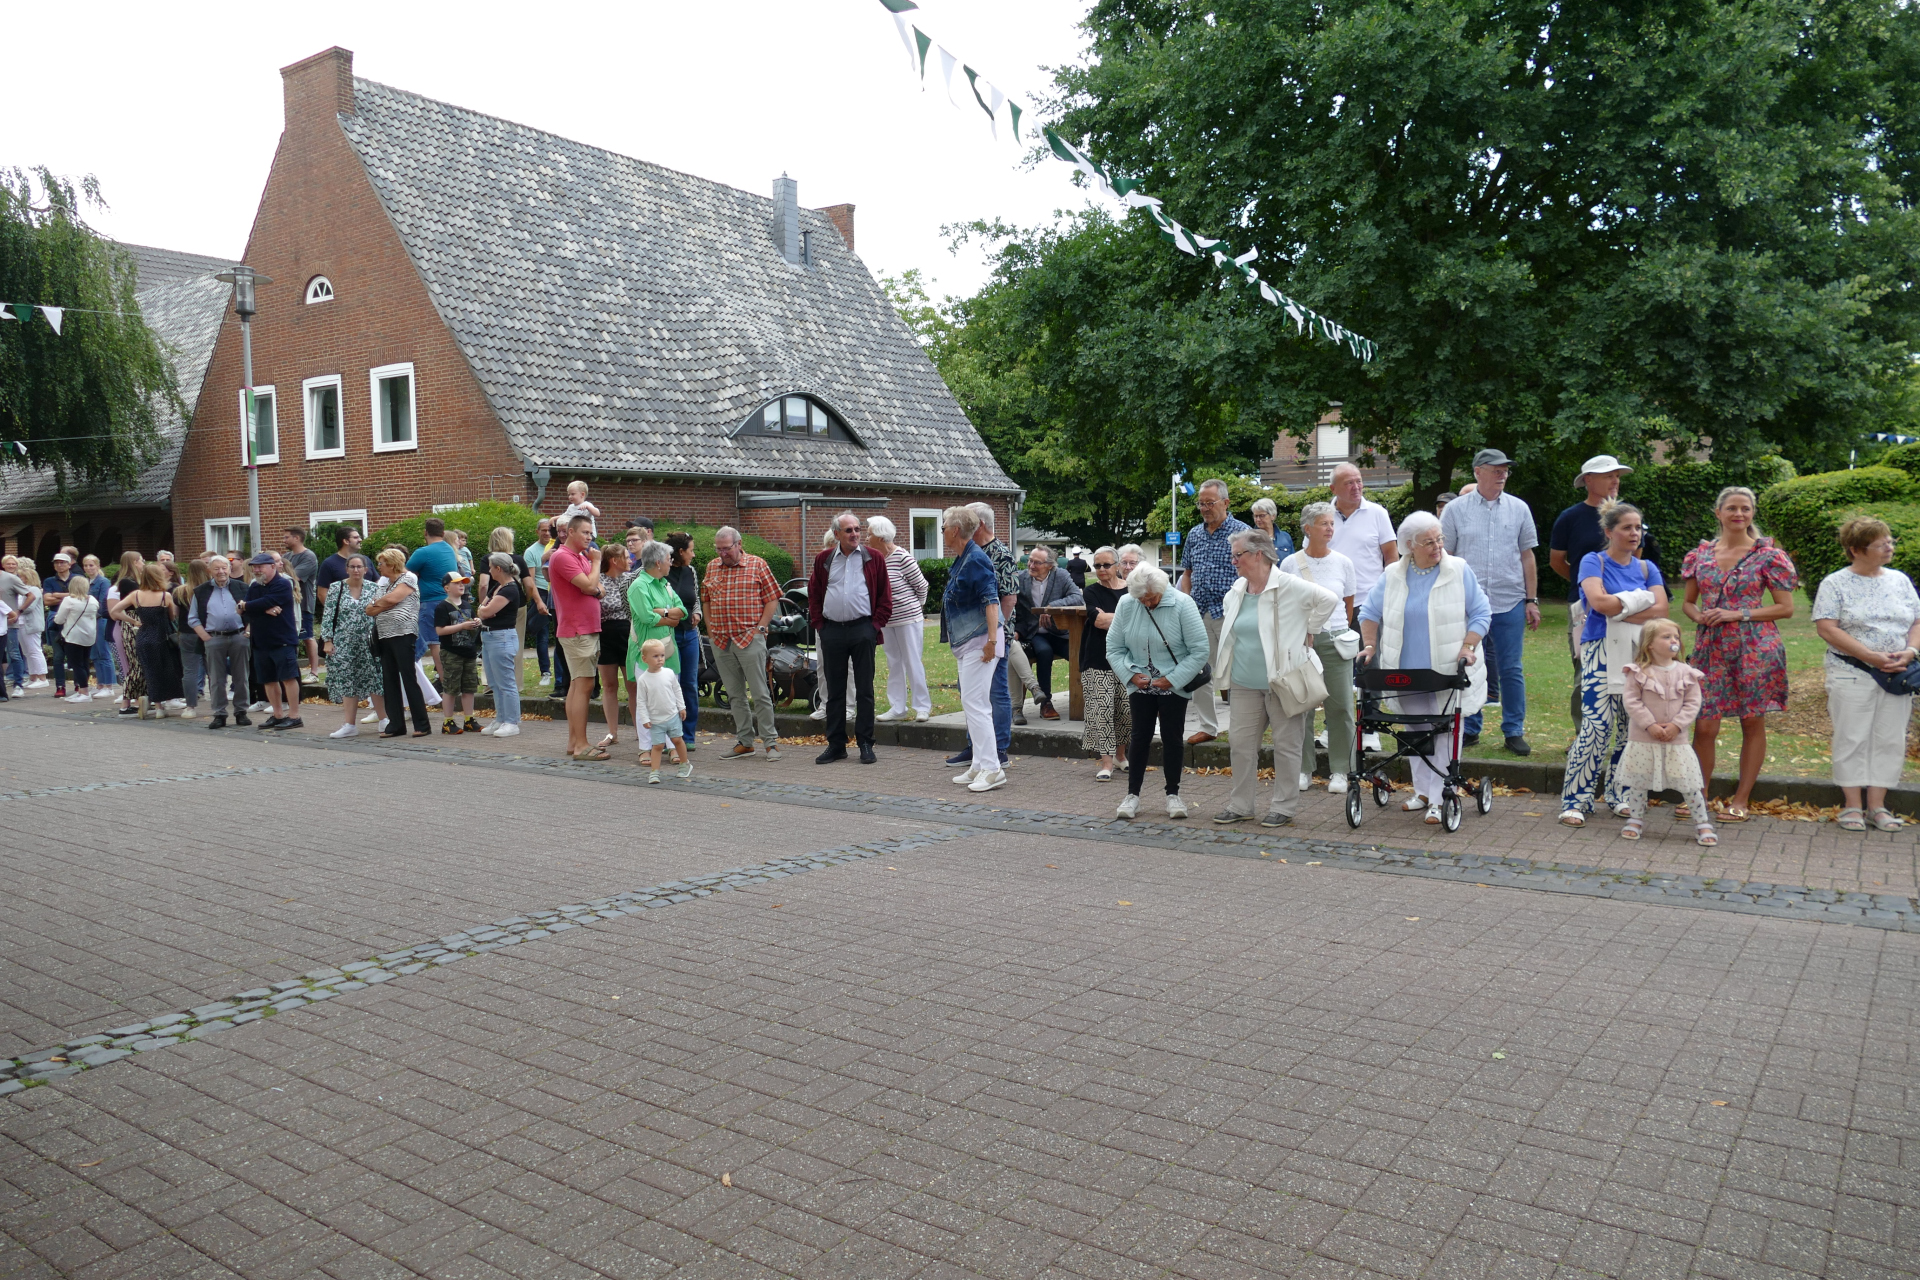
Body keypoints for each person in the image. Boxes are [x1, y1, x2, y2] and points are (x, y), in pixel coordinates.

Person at [1357, 512, 1492, 825]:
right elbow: (1370, 612)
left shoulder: (1458, 569)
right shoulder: (1393, 574)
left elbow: (1481, 613)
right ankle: (1422, 792)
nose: (1438, 546)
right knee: (1415, 733)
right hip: (1406, 672)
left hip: (1446, 671)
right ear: (1409, 546)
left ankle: (1441, 796)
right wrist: (1369, 646)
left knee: (1444, 732)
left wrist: (1468, 647)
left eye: (1439, 539)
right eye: (1429, 542)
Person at [1679, 487, 1799, 822]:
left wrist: (1738, 614)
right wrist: (1698, 616)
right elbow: (1688, 602)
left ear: (1752, 513)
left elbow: (1785, 608)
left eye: (1745, 508)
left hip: (1755, 649)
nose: (1739, 514)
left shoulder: (1768, 556)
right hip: (1710, 649)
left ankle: (1742, 799)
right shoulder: (1700, 555)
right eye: (1731, 508)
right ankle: (1699, 795)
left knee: (1752, 721)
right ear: (1718, 513)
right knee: (1705, 725)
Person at [1212, 529, 1342, 826]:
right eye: (1233, 555)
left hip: (1283, 681)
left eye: (1238, 555)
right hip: (1244, 682)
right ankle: (1241, 805)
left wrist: (1310, 628)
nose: (1233, 561)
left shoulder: (1288, 585)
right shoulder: (1237, 590)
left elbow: (1329, 599)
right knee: (1240, 745)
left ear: (1258, 554)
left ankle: (1283, 807)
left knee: (1287, 746)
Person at [1558, 500, 1668, 826]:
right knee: (1595, 727)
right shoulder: (1593, 561)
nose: (1635, 533)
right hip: (1600, 651)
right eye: (1626, 527)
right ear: (1609, 532)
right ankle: (1576, 800)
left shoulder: (1647, 568)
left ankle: (1622, 795)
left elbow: (1661, 610)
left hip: (1639, 654)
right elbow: (1598, 603)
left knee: (1631, 729)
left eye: (1638, 528)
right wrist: (1639, 601)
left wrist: (1618, 607)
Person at [1813, 516, 1920, 833]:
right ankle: (1852, 805)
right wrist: (1870, 656)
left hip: (1896, 673)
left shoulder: (1900, 580)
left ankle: (1877, 806)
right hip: (1851, 671)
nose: (1889, 547)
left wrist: (1911, 651)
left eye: (1890, 541)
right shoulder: (1835, 583)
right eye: (1880, 543)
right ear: (1856, 550)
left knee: (1889, 738)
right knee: (1853, 736)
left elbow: (1917, 621)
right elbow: (1827, 628)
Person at [1440, 448, 1540, 754]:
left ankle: (1513, 730)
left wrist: (1531, 599)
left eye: (1505, 470)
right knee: (1468, 665)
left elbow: (1527, 555)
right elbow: (1446, 557)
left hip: (1510, 600)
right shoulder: (1455, 510)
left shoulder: (1519, 508)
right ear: (1477, 472)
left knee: (1511, 669)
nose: (1502, 475)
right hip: (1468, 604)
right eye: (1496, 470)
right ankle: (1470, 728)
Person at [1108, 563, 1210, 819]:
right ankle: (1132, 795)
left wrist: (1172, 679)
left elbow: (1200, 650)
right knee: (1139, 737)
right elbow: (1114, 648)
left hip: (1173, 682)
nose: (1147, 603)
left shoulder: (1183, 603)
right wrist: (1131, 675)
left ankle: (1173, 795)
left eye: (1152, 598)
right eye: (1142, 599)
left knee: (1172, 737)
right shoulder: (1127, 604)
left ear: (1162, 589)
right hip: (1140, 682)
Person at [1281, 501, 1359, 791]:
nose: (1330, 528)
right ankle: (1303, 768)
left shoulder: (1343, 563)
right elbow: (1284, 604)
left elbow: (1348, 605)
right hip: (1300, 641)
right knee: (1301, 706)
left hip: (1335, 641)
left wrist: (1334, 629)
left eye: (1332, 524)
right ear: (1308, 528)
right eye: (1324, 523)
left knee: (1341, 706)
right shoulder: (1290, 564)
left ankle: (1341, 769)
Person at [1617, 619, 1717, 846]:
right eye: (1666, 637)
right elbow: (1632, 701)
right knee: (1639, 782)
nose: (1674, 641)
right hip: (1643, 739)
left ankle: (1702, 822)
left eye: (1676, 637)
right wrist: (1650, 725)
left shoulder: (1687, 672)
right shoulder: (1638, 672)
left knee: (1689, 782)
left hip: (1676, 740)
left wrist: (1676, 725)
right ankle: (1635, 819)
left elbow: (1692, 703)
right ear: (1649, 644)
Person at [808, 511, 892, 765]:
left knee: (864, 689)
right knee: (834, 690)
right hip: (832, 630)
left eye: (857, 529)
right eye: (849, 530)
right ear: (836, 534)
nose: (855, 534)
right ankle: (836, 745)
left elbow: (885, 597)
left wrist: (873, 626)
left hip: (862, 629)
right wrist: (820, 625)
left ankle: (865, 742)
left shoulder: (873, 557)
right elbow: (814, 593)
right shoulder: (824, 559)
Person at [1550, 455, 1632, 706]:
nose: (1615, 481)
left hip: (1626, 603)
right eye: (1608, 476)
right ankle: (1584, 728)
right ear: (1588, 480)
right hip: (1583, 605)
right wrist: (1588, 584)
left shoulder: (1627, 517)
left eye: (1617, 476)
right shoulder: (1570, 517)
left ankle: (1628, 727)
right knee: (1584, 670)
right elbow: (1556, 561)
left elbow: (1637, 558)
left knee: (1629, 669)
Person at [1176, 478, 1250, 746]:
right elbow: (1187, 573)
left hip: (1232, 612)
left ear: (1226, 502)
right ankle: (1208, 726)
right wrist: (1186, 602)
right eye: (1201, 504)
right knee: (1199, 670)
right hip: (1199, 612)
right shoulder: (1195, 534)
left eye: (1210, 503)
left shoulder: (1242, 533)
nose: (1205, 508)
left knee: (1239, 671)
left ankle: (1243, 727)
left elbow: (1252, 572)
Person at [704, 526, 784, 761]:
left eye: (726, 549)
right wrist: (710, 629)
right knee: (734, 695)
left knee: (760, 693)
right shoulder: (712, 567)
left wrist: (761, 628)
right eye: (719, 549)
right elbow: (706, 599)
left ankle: (770, 743)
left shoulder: (757, 564)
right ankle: (745, 742)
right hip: (721, 640)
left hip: (750, 638)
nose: (722, 554)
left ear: (739, 544)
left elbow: (772, 598)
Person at [942, 506, 1007, 793]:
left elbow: (991, 601)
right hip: (971, 641)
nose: (942, 531)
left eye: (944, 526)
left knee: (977, 705)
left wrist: (991, 642)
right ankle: (980, 764)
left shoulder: (976, 559)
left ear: (955, 530)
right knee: (973, 704)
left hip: (981, 642)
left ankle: (992, 769)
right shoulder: (964, 557)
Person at [547, 513, 605, 759]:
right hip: (577, 629)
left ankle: (574, 741)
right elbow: (591, 586)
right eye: (585, 532)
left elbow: (599, 589)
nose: (589, 537)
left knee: (576, 684)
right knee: (584, 685)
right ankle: (581, 745)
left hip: (584, 628)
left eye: (591, 533)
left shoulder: (580, 557)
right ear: (570, 532)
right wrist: (597, 563)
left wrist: (594, 586)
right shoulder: (563, 556)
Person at [867, 517, 931, 723]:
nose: (867, 538)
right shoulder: (875, 559)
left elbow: (922, 586)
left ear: (880, 536)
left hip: (908, 619)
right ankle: (897, 707)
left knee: (913, 661)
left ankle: (922, 707)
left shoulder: (903, 557)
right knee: (894, 663)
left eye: (869, 534)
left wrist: (915, 609)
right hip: (887, 621)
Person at [1079, 546, 1133, 781]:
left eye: (1106, 565)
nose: (1101, 569)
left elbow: (1142, 619)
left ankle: (1121, 756)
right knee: (1101, 710)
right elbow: (1099, 621)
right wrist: (1126, 618)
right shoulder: (1091, 591)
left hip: (1128, 659)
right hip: (1096, 657)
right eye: (1097, 565)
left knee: (1126, 710)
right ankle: (1106, 762)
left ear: (1117, 566)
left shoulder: (1132, 591)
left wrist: (1114, 618)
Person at [624, 541, 683, 748]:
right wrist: (670, 619)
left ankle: (672, 746)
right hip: (646, 653)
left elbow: (682, 611)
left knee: (670, 699)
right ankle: (646, 747)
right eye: (668, 559)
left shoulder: (665, 584)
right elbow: (647, 617)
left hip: (669, 651)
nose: (671, 563)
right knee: (647, 702)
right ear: (658, 563)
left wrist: (662, 612)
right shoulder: (638, 586)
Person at [365, 547, 430, 737]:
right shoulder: (384, 583)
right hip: (384, 635)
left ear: (392, 564)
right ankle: (396, 725)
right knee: (389, 679)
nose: (379, 566)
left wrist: (381, 603)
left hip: (403, 633)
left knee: (408, 678)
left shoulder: (408, 578)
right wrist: (383, 603)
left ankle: (422, 725)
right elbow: (369, 609)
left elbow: (394, 598)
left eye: (381, 563)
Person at [1012, 546, 1083, 721]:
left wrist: (1051, 607)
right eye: (1030, 561)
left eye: (1037, 562)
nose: (1031, 565)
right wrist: (1017, 631)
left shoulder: (1061, 575)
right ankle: (1045, 703)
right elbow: (1014, 609)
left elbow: (1077, 597)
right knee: (1044, 652)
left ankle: (1087, 701)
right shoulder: (1021, 579)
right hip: (1034, 633)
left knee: (1080, 654)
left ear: (1050, 565)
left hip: (1059, 632)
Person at [319, 553, 384, 737]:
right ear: (346, 569)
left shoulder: (374, 588)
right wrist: (327, 640)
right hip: (344, 641)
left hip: (368, 642)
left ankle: (384, 719)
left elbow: (380, 614)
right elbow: (328, 615)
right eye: (352, 567)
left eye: (359, 567)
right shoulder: (336, 587)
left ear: (366, 570)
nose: (356, 570)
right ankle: (349, 724)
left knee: (375, 679)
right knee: (348, 679)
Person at [237, 551, 301, 730]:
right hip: (260, 641)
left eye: (260, 567)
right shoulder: (255, 586)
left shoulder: (283, 584)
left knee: (288, 678)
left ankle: (294, 716)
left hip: (282, 640)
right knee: (268, 679)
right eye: (254, 567)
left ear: (273, 566)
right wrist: (258, 608)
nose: (256, 570)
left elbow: (262, 602)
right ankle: (278, 715)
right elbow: (243, 609)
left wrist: (249, 606)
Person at [112, 563, 183, 719]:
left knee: (150, 672)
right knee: (166, 669)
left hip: (143, 637)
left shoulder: (136, 595)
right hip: (162, 637)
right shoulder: (165, 596)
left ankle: (158, 707)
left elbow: (114, 610)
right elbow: (172, 617)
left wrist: (133, 621)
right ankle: (166, 702)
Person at [592, 542, 644, 750]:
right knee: (609, 685)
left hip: (628, 633)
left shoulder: (632, 579)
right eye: (626, 556)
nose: (631, 559)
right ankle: (612, 732)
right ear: (615, 561)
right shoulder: (598, 579)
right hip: (605, 634)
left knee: (633, 684)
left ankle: (641, 731)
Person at [189, 555, 251, 727]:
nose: (221, 572)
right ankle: (219, 713)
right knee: (216, 678)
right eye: (216, 568)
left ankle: (241, 711)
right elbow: (193, 618)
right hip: (214, 638)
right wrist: (205, 636)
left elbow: (253, 611)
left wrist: (248, 631)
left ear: (230, 569)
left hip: (239, 636)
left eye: (224, 568)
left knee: (241, 676)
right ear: (209, 570)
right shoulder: (201, 591)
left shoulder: (242, 587)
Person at [477, 552, 525, 737]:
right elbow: (483, 609)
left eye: (490, 568)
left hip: (502, 637)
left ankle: (512, 722)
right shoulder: (497, 587)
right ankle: (500, 718)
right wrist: (485, 610)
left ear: (498, 568)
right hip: (489, 636)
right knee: (494, 683)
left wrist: (485, 610)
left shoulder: (510, 589)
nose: (489, 571)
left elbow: (486, 611)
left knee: (506, 682)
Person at [405, 518, 459, 679]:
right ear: (443, 533)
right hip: (450, 600)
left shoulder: (423, 552)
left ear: (425, 532)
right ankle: (452, 680)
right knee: (448, 642)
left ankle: (444, 682)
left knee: (435, 643)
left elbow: (405, 574)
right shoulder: (449, 549)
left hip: (431, 602)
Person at [634, 637, 692, 782]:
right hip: (655, 720)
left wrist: (682, 707)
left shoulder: (669, 673)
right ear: (645, 659)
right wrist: (644, 718)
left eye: (662, 655)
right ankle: (654, 772)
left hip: (672, 715)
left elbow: (677, 690)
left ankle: (684, 764)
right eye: (655, 656)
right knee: (658, 746)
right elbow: (641, 701)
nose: (660, 659)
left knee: (678, 740)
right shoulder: (643, 680)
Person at [663, 532, 703, 745]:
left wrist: (697, 613)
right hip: (669, 635)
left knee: (690, 684)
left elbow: (694, 598)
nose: (693, 554)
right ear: (680, 552)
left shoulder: (691, 571)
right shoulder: (661, 572)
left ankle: (688, 736)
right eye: (691, 550)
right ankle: (670, 736)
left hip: (689, 635)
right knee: (670, 684)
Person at [434, 571, 483, 734]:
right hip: (451, 652)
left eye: (462, 583)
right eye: (456, 583)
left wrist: (477, 621)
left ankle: (469, 719)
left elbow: (472, 622)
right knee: (451, 688)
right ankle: (448, 721)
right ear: (447, 588)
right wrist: (461, 626)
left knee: (469, 687)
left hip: (469, 652)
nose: (461, 585)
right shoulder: (443, 607)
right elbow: (440, 630)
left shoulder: (467, 605)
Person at [283, 527, 321, 677]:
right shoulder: (287, 556)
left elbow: (293, 578)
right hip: (287, 605)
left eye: (286, 537)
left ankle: (314, 672)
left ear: (297, 538)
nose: (284, 540)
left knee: (307, 637)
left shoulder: (308, 557)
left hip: (303, 604)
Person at [523, 517, 557, 688]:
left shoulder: (559, 546)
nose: (546, 533)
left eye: (549, 530)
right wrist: (537, 601)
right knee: (541, 635)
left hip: (557, 593)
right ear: (537, 532)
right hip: (542, 593)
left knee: (561, 635)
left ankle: (563, 674)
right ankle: (545, 672)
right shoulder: (531, 552)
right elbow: (530, 580)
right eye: (543, 530)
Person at [43, 551, 82, 697]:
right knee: (58, 655)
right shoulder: (49, 581)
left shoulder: (77, 579)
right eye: (56, 563)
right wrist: (70, 595)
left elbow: (82, 596)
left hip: (74, 619)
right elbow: (47, 600)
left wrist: (57, 595)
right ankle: (60, 686)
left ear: (69, 564)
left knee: (75, 654)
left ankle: (79, 684)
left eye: (62, 562)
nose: (59, 565)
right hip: (56, 618)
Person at [55, 577, 99, 703]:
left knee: (77, 664)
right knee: (84, 663)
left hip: (73, 636)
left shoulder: (69, 600)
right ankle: (82, 690)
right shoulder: (93, 600)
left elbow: (59, 619)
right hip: (89, 635)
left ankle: (84, 692)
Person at [13, 558, 48, 693]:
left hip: (31, 624)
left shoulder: (34, 590)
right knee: (27, 652)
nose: (19, 579)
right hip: (21, 624)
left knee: (34, 650)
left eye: (21, 577)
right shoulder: (24, 590)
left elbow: (29, 607)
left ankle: (42, 677)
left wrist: (16, 609)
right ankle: (33, 677)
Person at [316, 525, 366, 606]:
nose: (360, 540)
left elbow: (377, 583)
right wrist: (334, 610)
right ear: (346, 541)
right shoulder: (329, 563)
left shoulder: (365, 561)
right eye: (355, 537)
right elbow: (322, 593)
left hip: (368, 611)